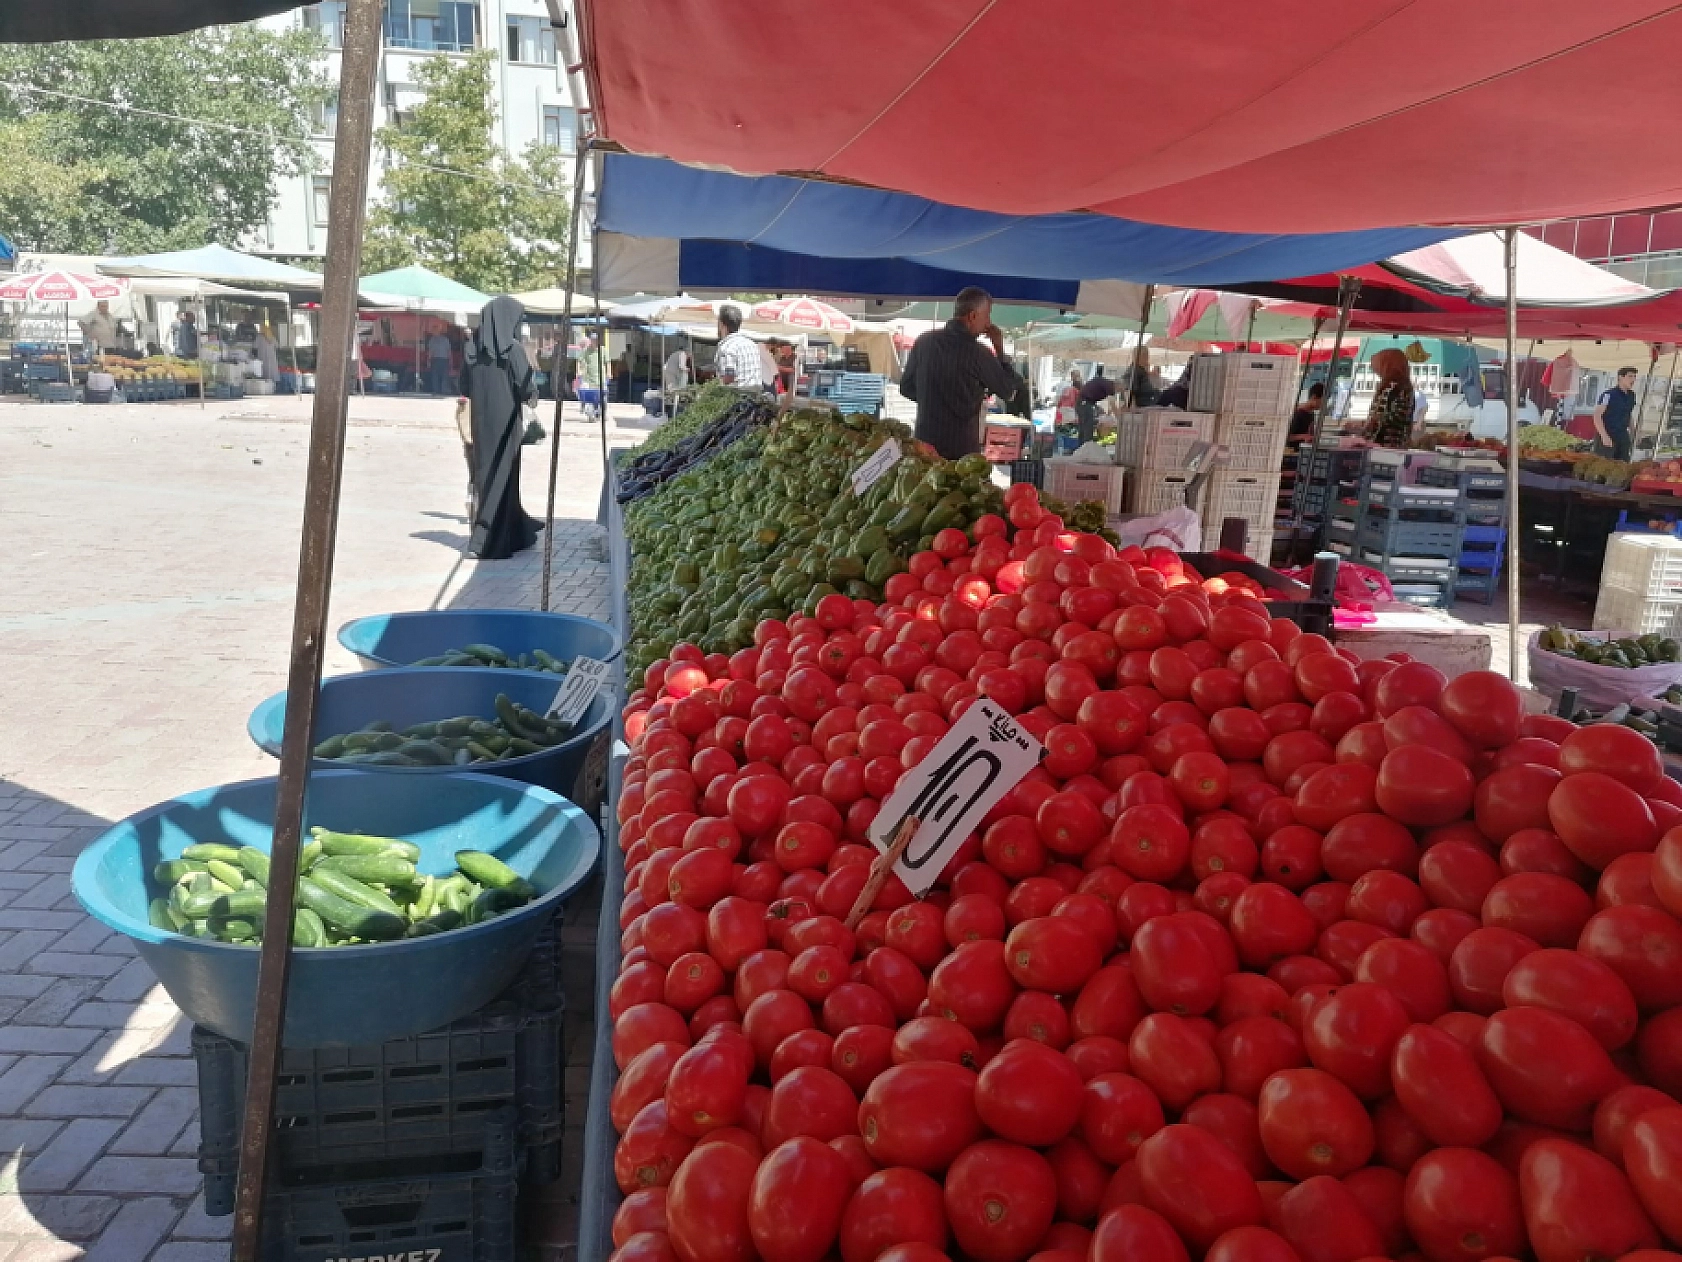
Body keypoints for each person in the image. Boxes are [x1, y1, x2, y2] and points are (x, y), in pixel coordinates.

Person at [460, 296, 542, 560]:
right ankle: (486, 541)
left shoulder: (472, 348)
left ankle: (517, 532)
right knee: (503, 478)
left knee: (487, 476)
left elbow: (463, 387)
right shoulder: (513, 350)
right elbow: (526, 388)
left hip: (481, 424)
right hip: (507, 424)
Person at [898, 286, 1021, 459]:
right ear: (972, 316)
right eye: (987, 315)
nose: (988, 323)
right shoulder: (980, 354)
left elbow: (905, 387)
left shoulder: (924, 342)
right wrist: (1000, 350)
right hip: (961, 454)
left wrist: (933, 402)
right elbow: (1009, 391)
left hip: (924, 447)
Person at [1363, 348, 1417, 448]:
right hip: (1381, 446)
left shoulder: (1400, 388)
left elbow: (1398, 418)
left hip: (1389, 447)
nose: (1376, 369)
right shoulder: (1390, 386)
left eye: (1379, 365)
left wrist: (1372, 421)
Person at [1592, 366, 1638, 461]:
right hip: (1608, 434)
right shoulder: (1608, 395)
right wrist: (1604, 435)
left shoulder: (1631, 395)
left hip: (1623, 435)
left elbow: (1628, 414)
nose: (1633, 379)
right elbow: (1597, 416)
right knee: (1604, 465)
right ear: (1620, 377)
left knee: (1623, 464)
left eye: (1634, 377)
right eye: (1630, 376)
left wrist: (1633, 432)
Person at [713, 305, 763, 388]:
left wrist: (714, 386)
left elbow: (729, 376)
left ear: (722, 324)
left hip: (736, 397)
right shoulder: (752, 345)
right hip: (756, 396)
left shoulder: (727, 348)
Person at [1077, 367, 1116, 441]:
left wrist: (1108, 412)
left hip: (1083, 403)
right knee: (1087, 427)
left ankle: (1082, 449)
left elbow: (1111, 406)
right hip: (1084, 403)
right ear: (1118, 386)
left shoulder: (1106, 383)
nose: (1118, 392)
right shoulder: (1109, 386)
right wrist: (1119, 418)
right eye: (1120, 390)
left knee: (1083, 428)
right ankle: (1087, 449)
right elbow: (1112, 403)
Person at [426, 323, 454, 396]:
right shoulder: (434, 340)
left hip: (442, 360)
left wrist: (450, 361)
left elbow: (449, 352)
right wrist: (429, 361)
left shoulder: (443, 340)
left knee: (441, 376)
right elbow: (430, 352)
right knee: (437, 376)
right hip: (437, 359)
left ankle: (440, 391)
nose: (433, 332)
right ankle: (438, 391)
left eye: (434, 330)